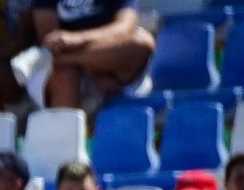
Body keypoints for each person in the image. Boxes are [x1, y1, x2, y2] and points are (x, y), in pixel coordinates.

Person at [27, 0, 155, 110]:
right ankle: (66, 134)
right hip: (58, 67)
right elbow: (50, 39)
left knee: (142, 43)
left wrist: (79, 38)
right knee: (66, 74)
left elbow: (124, 27)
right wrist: (91, 69)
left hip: (106, 61)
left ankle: (67, 61)